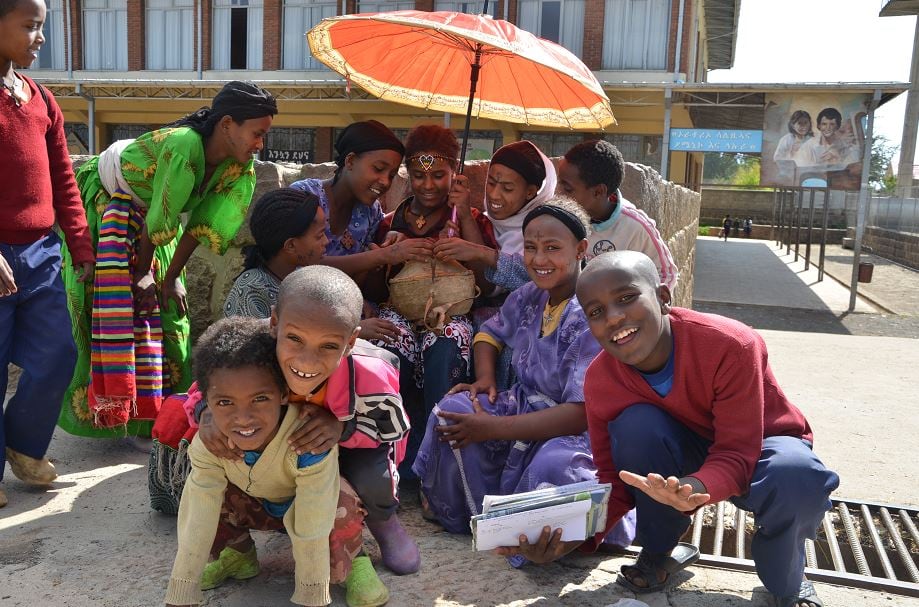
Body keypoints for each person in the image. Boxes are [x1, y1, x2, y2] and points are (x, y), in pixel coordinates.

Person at [502, 251, 839, 607]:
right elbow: (614, 482)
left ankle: (787, 579)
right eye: (596, 312)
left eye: (626, 298)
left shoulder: (730, 344)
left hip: (759, 446)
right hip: (680, 452)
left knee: (797, 475)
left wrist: (693, 487)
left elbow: (736, 453)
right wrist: (567, 540)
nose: (614, 318)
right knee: (636, 427)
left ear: (663, 298)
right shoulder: (601, 380)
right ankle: (660, 550)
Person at [413, 198, 636, 567]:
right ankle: (467, 514)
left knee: (557, 467)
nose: (539, 259)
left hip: (573, 431)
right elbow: (489, 334)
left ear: (581, 249)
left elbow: (581, 414)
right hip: (523, 406)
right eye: (531, 248)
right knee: (454, 411)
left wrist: (494, 428)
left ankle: (535, 541)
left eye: (552, 248)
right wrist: (484, 379)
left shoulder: (592, 312)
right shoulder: (532, 294)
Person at [59, 80, 278, 437]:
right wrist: (142, 272)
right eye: (257, 133)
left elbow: (199, 228)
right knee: (101, 308)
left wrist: (170, 276)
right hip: (106, 206)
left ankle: (153, 421)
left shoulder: (239, 169)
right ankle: (106, 421)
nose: (260, 144)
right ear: (226, 125)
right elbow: (160, 220)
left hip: (153, 222)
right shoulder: (184, 146)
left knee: (169, 314)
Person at [201, 266, 418, 587]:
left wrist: (341, 427)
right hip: (276, 440)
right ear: (274, 324)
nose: (306, 361)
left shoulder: (368, 372)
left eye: (328, 346)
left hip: (350, 444)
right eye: (294, 339)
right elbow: (208, 383)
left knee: (373, 478)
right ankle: (237, 549)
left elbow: (392, 427)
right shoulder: (249, 351)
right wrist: (205, 411)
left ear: (350, 341)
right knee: (211, 453)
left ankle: (383, 521)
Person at [164, 316, 342, 607]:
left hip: (314, 511)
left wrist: (312, 595)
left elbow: (313, 528)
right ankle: (240, 555)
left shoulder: (309, 442)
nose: (243, 418)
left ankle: (357, 563)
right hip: (257, 506)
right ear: (205, 402)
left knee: (340, 508)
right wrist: (181, 593)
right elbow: (197, 519)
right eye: (224, 402)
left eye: (259, 399)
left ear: (284, 394)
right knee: (201, 498)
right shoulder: (211, 443)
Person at [0, 0, 94, 509]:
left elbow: (64, 178)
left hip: (40, 254)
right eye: (30, 26)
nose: (40, 37)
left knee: (58, 355)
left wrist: (79, 244)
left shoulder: (39, 98)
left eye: (42, 26)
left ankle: (23, 444)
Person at [366, 124, 497, 476]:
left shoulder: (471, 220)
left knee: (446, 343)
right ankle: (388, 463)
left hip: (451, 314)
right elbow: (378, 291)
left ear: (455, 173)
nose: (427, 185)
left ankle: (438, 468)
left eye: (438, 175)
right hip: (400, 312)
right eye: (419, 175)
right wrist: (388, 253)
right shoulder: (392, 221)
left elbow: (484, 286)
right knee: (389, 344)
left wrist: (465, 226)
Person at [433, 139, 557, 296]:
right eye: (491, 183)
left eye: (507, 188)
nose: (494, 195)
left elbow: (490, 287)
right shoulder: (480, 220)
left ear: (530, 192)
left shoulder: (545, 232)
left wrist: (477, 249)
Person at [556, 139, 678, 290]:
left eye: (567, 189)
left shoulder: (635, 228)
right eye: (558, 183)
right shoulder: (560, 217)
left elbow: (666, 275)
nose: (558, 193)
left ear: (598, 192)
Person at [223, 188, 328, 318]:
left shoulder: (302, 278)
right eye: (320, 236)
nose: (326, 241)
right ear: (291, 246)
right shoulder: (250, 289)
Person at [795, 107, 860, 168]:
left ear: (837, 126)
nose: (828, 128)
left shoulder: (844, 145)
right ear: (819, 126)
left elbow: (852, 166)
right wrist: (823, 163)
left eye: (832, 124)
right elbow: (800, 167)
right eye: (824, 124)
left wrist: (837, 159)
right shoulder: (808, 146)